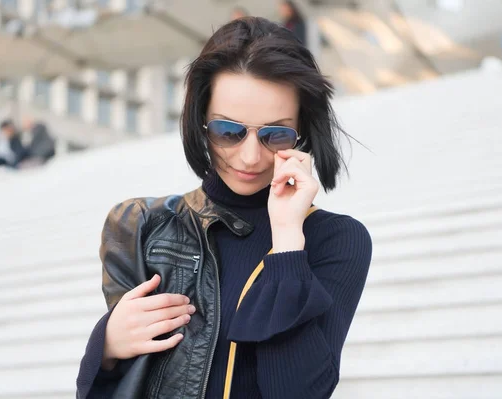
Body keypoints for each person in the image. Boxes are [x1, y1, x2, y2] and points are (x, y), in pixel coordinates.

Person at [76, 17, 372, 399]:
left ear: (302, 130)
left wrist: (285, 243)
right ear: (200, 120)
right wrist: (107, 348)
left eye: (274, 134)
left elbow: (297, 391)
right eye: (228, 131)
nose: (249, 157)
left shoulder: (336, 240)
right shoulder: (142, 227)